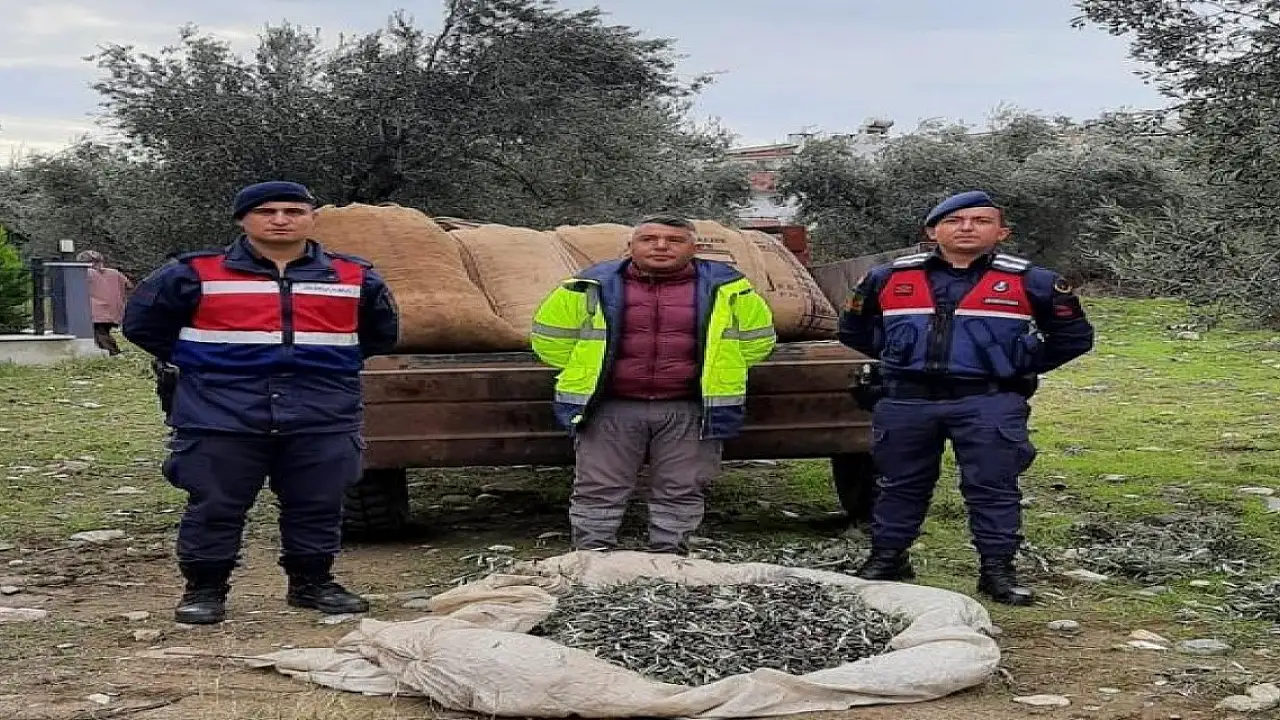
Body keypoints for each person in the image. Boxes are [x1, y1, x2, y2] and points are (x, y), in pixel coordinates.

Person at [122, 181, 400, 624]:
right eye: (266, 211)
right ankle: (205, 590)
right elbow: (142, 325)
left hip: (321, 410)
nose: (280, 220)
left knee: (318, 501)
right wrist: (205, 362)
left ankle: (312, 583)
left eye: (293, 211)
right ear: (242, 220)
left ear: (312, 218)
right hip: (221, 411)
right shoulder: (192, 273)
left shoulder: (354, 276)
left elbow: (380, 334)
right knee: (215, 504)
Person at [838, 191, 1094, 605]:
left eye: (980, 220)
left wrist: (1017, 364)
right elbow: (853, 329)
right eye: (954, 221)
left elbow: (1074, 337)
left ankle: (997, 572)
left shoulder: (1033, 281)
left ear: (1001, 232)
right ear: (932, 231)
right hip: (906, 400)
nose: (967, 228)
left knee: (993, 486)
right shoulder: (886, 278)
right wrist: (902, 358)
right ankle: (887, 559)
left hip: (988, 401)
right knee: (897, 484)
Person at [531, 214, 776, 554]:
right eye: (649, 239)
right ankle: (592, 555)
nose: (661, 246)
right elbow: (550, 341)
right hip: (611, 406)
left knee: (682, 486)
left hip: (688, 408)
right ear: (630, 246)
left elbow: (757, 342)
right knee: (599, 487)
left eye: (674, 240)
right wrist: (586, 370)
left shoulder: (731, 289)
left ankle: (671, 556)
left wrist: (720, 372)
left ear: (694, 248)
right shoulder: (588, 285)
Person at [78, 250, 133, 356]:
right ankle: (113, 351)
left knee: (100, 333)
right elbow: (129, 286)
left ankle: (113, 353)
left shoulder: (86, 273)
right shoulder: (114, 273)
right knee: (103, 331)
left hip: (96, 311)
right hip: (115, 310)